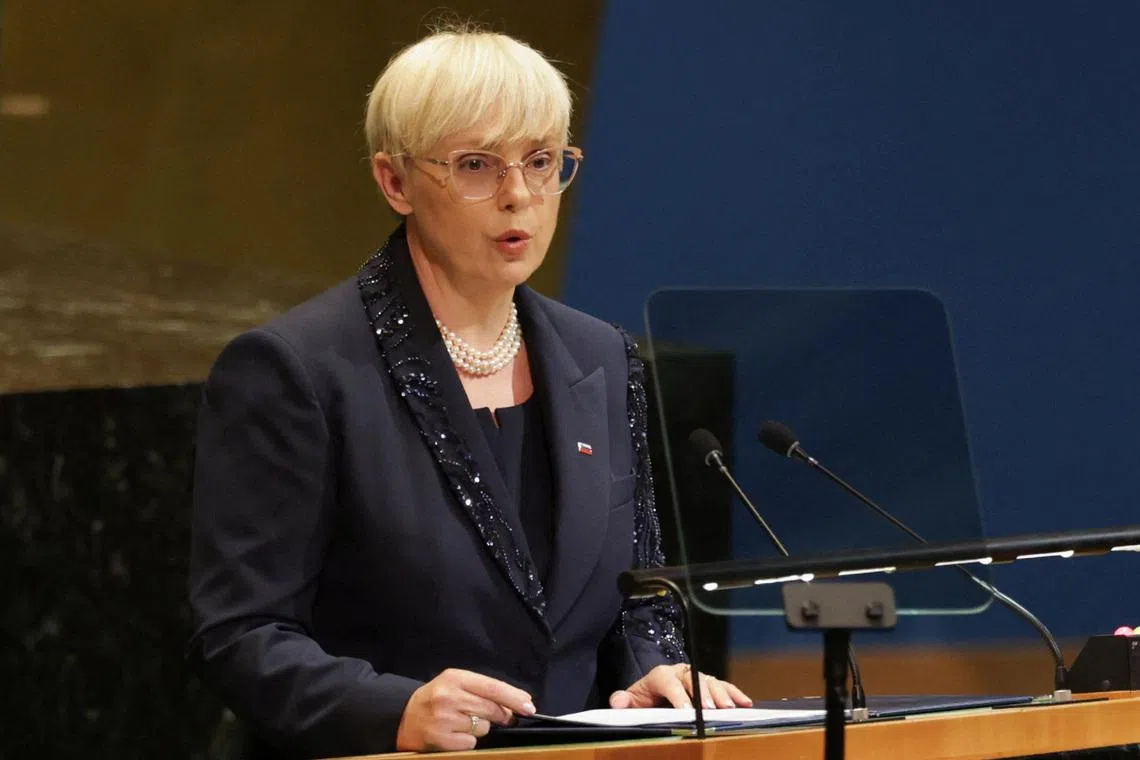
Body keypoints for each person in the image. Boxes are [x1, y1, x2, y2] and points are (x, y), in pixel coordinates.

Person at [187, 24, 751, 758]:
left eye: (543, 161)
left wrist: (654, 672)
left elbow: (637, 592)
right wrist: (394, 710)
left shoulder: (602, 358)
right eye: (478, 165)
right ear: (395, 181)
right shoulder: (298, 371)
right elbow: (240, 632)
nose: (519, 195)